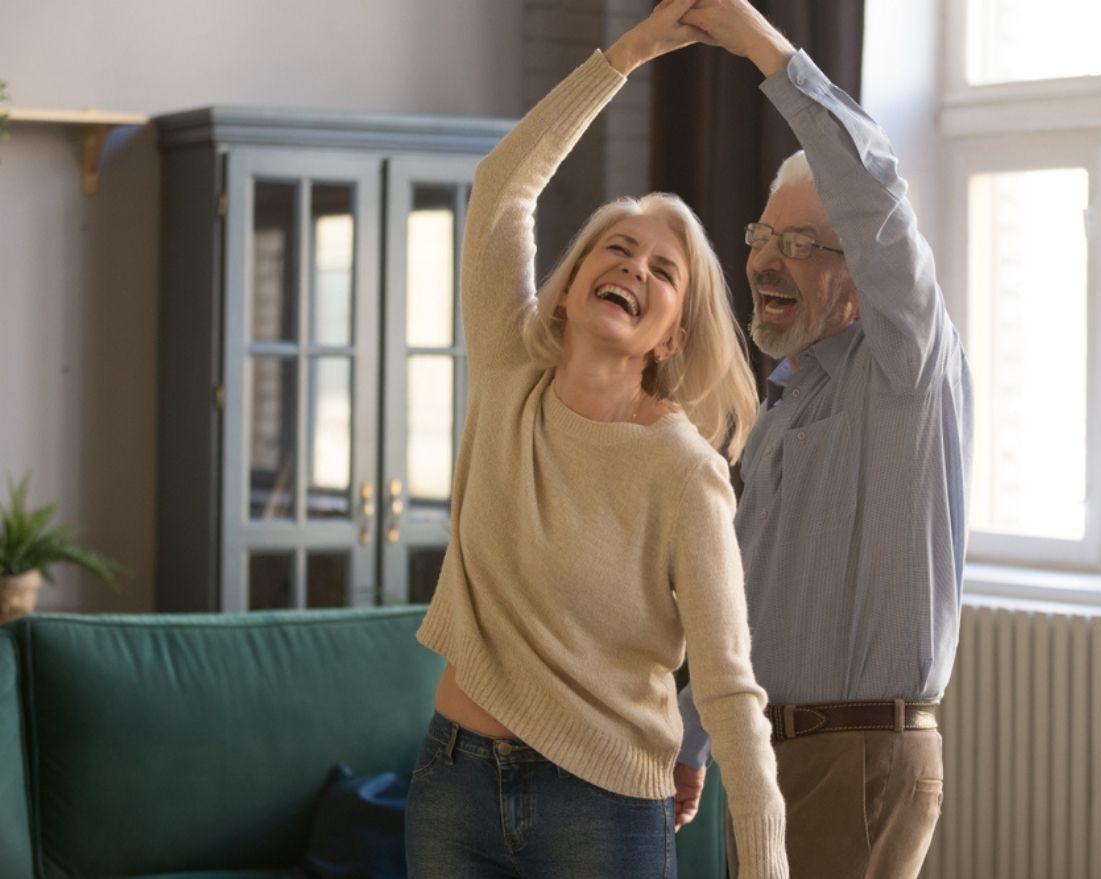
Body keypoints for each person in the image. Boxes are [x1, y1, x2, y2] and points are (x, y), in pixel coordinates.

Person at [404, 2, 788, 877]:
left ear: (671, 336)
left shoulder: (684, 472)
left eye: (662, 271)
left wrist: (763, 859)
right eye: (616, 250)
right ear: (568, 286)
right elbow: (504, 186)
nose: (633, 270)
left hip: (605, 809)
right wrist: (631, 51)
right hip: (452, 782)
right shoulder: (510, 377)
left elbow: (728, 682)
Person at [673, 2, 974, 877]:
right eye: (763, 236)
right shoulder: (788, 404)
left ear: (861, 273)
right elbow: (752, 602)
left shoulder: (907, 367)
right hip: (770, 759)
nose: (766, 260)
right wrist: (693, 732)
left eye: (801, 243)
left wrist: (763, 48)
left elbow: (872, 191)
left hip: (855, 758)